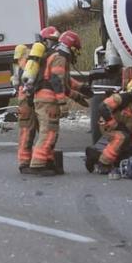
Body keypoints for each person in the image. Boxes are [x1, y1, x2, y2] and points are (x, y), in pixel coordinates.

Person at [25, 30, 91, 176]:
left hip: (43, 98)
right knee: (48, 132)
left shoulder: (53, 55)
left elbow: (63, 82)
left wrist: (79, 94)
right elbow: (57, 81)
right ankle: (38, 165)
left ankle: (47, 162)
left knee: (50, 132)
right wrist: (62, 103)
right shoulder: (60, 58)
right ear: (71, 46)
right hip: (49, 101)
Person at [87, 76, 132, 177]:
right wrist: (113, 124)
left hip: (127, 130)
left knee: (123, 155)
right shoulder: (123, 98)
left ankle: (94, 156)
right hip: (109, 125)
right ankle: (103, 164)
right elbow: (103, 107)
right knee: (121, 137)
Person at [16, 26, 60, 172]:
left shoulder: (38, 58)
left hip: (29, 97)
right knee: (33, 130)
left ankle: (41, 160)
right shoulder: (39, 59)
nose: (52, 44)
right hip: (29, 98)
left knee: (38, 130)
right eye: (52, 41)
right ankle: (29, 162)